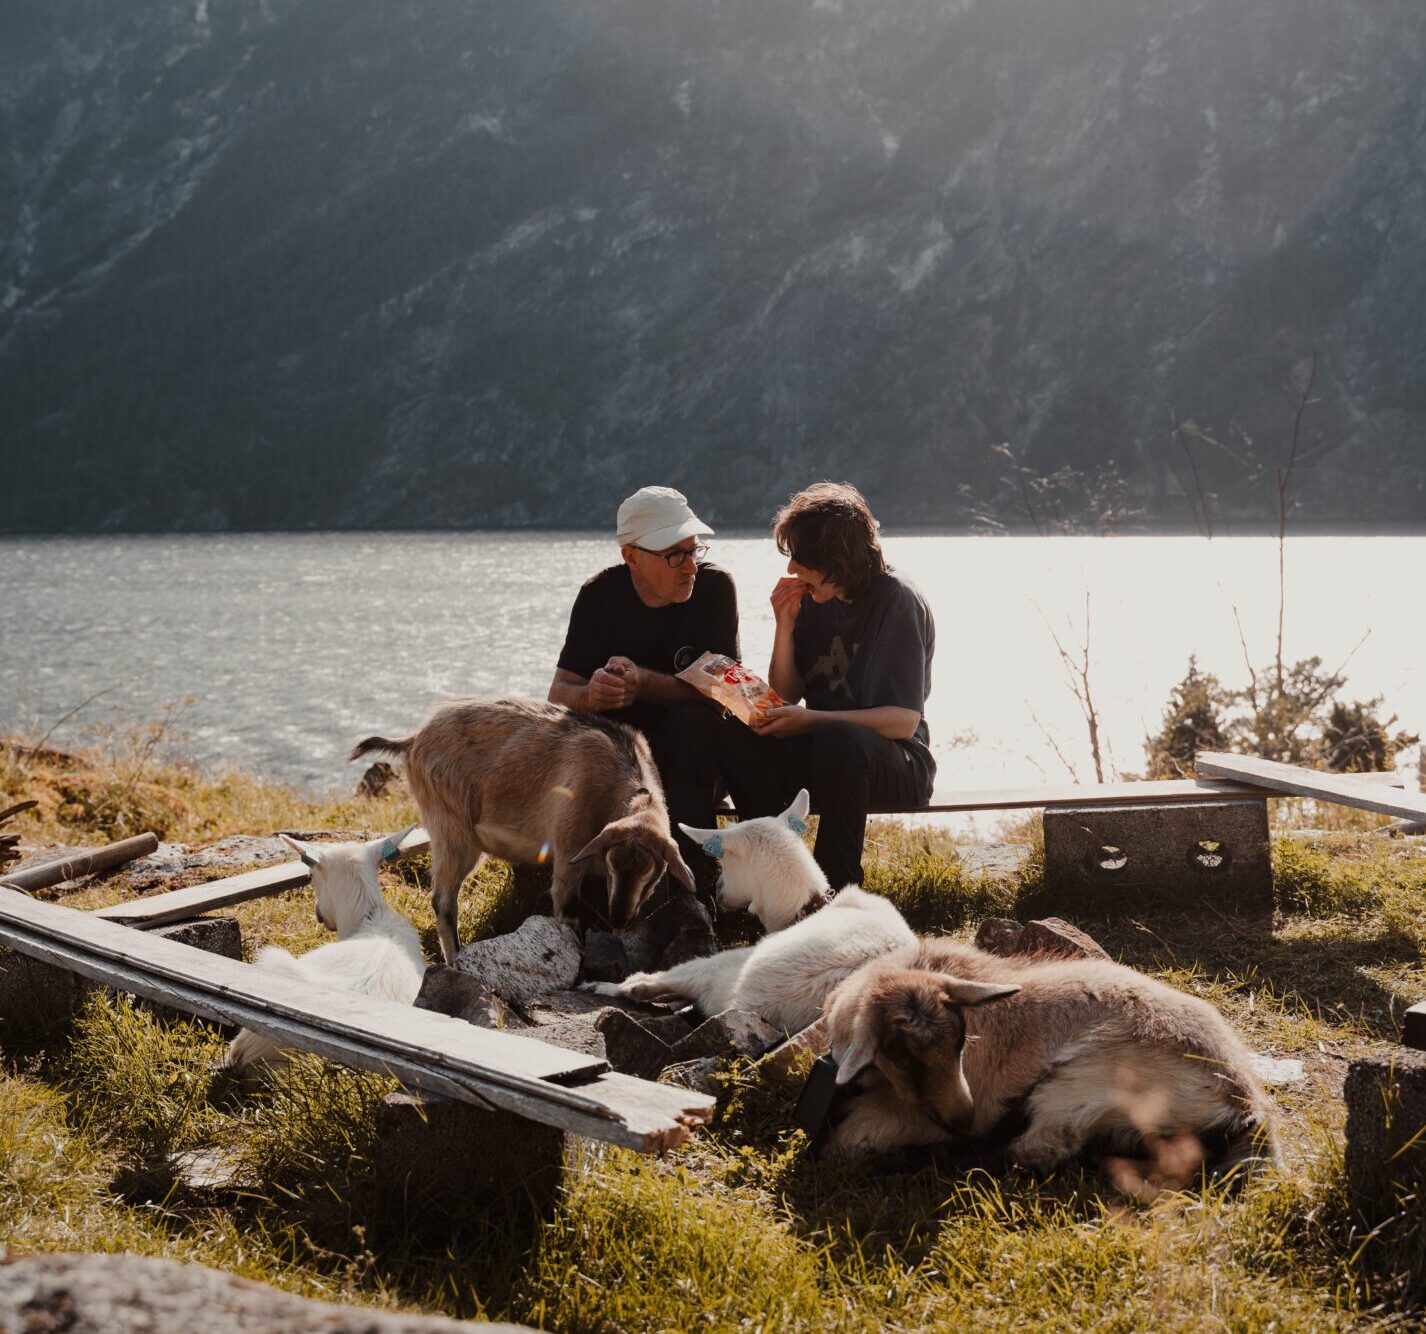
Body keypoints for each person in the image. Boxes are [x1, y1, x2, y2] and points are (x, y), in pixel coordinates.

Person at [708, 481, 935, 889]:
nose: (792, 569)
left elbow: (903, 722)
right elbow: (789, 692)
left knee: (838, 738)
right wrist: (785, 623)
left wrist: (810, 721)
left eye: (802, 558)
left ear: (837, 558)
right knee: (732, 733)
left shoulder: (896, 600)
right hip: (827, 754)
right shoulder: (815, 599)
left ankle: (831, 889)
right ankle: (775, 874)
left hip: (897, 763)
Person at [547, 485, 739, 852]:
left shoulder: (714, 589)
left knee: (692, 721)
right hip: (620, 764)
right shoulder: (599, 597)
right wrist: (591, 695)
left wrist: (643, 683)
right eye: (674, 556)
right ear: (632, 557)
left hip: (697, 764)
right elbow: (559, 694)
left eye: (694, 549)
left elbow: (727, 696)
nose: (690, 566)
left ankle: (696, 877)